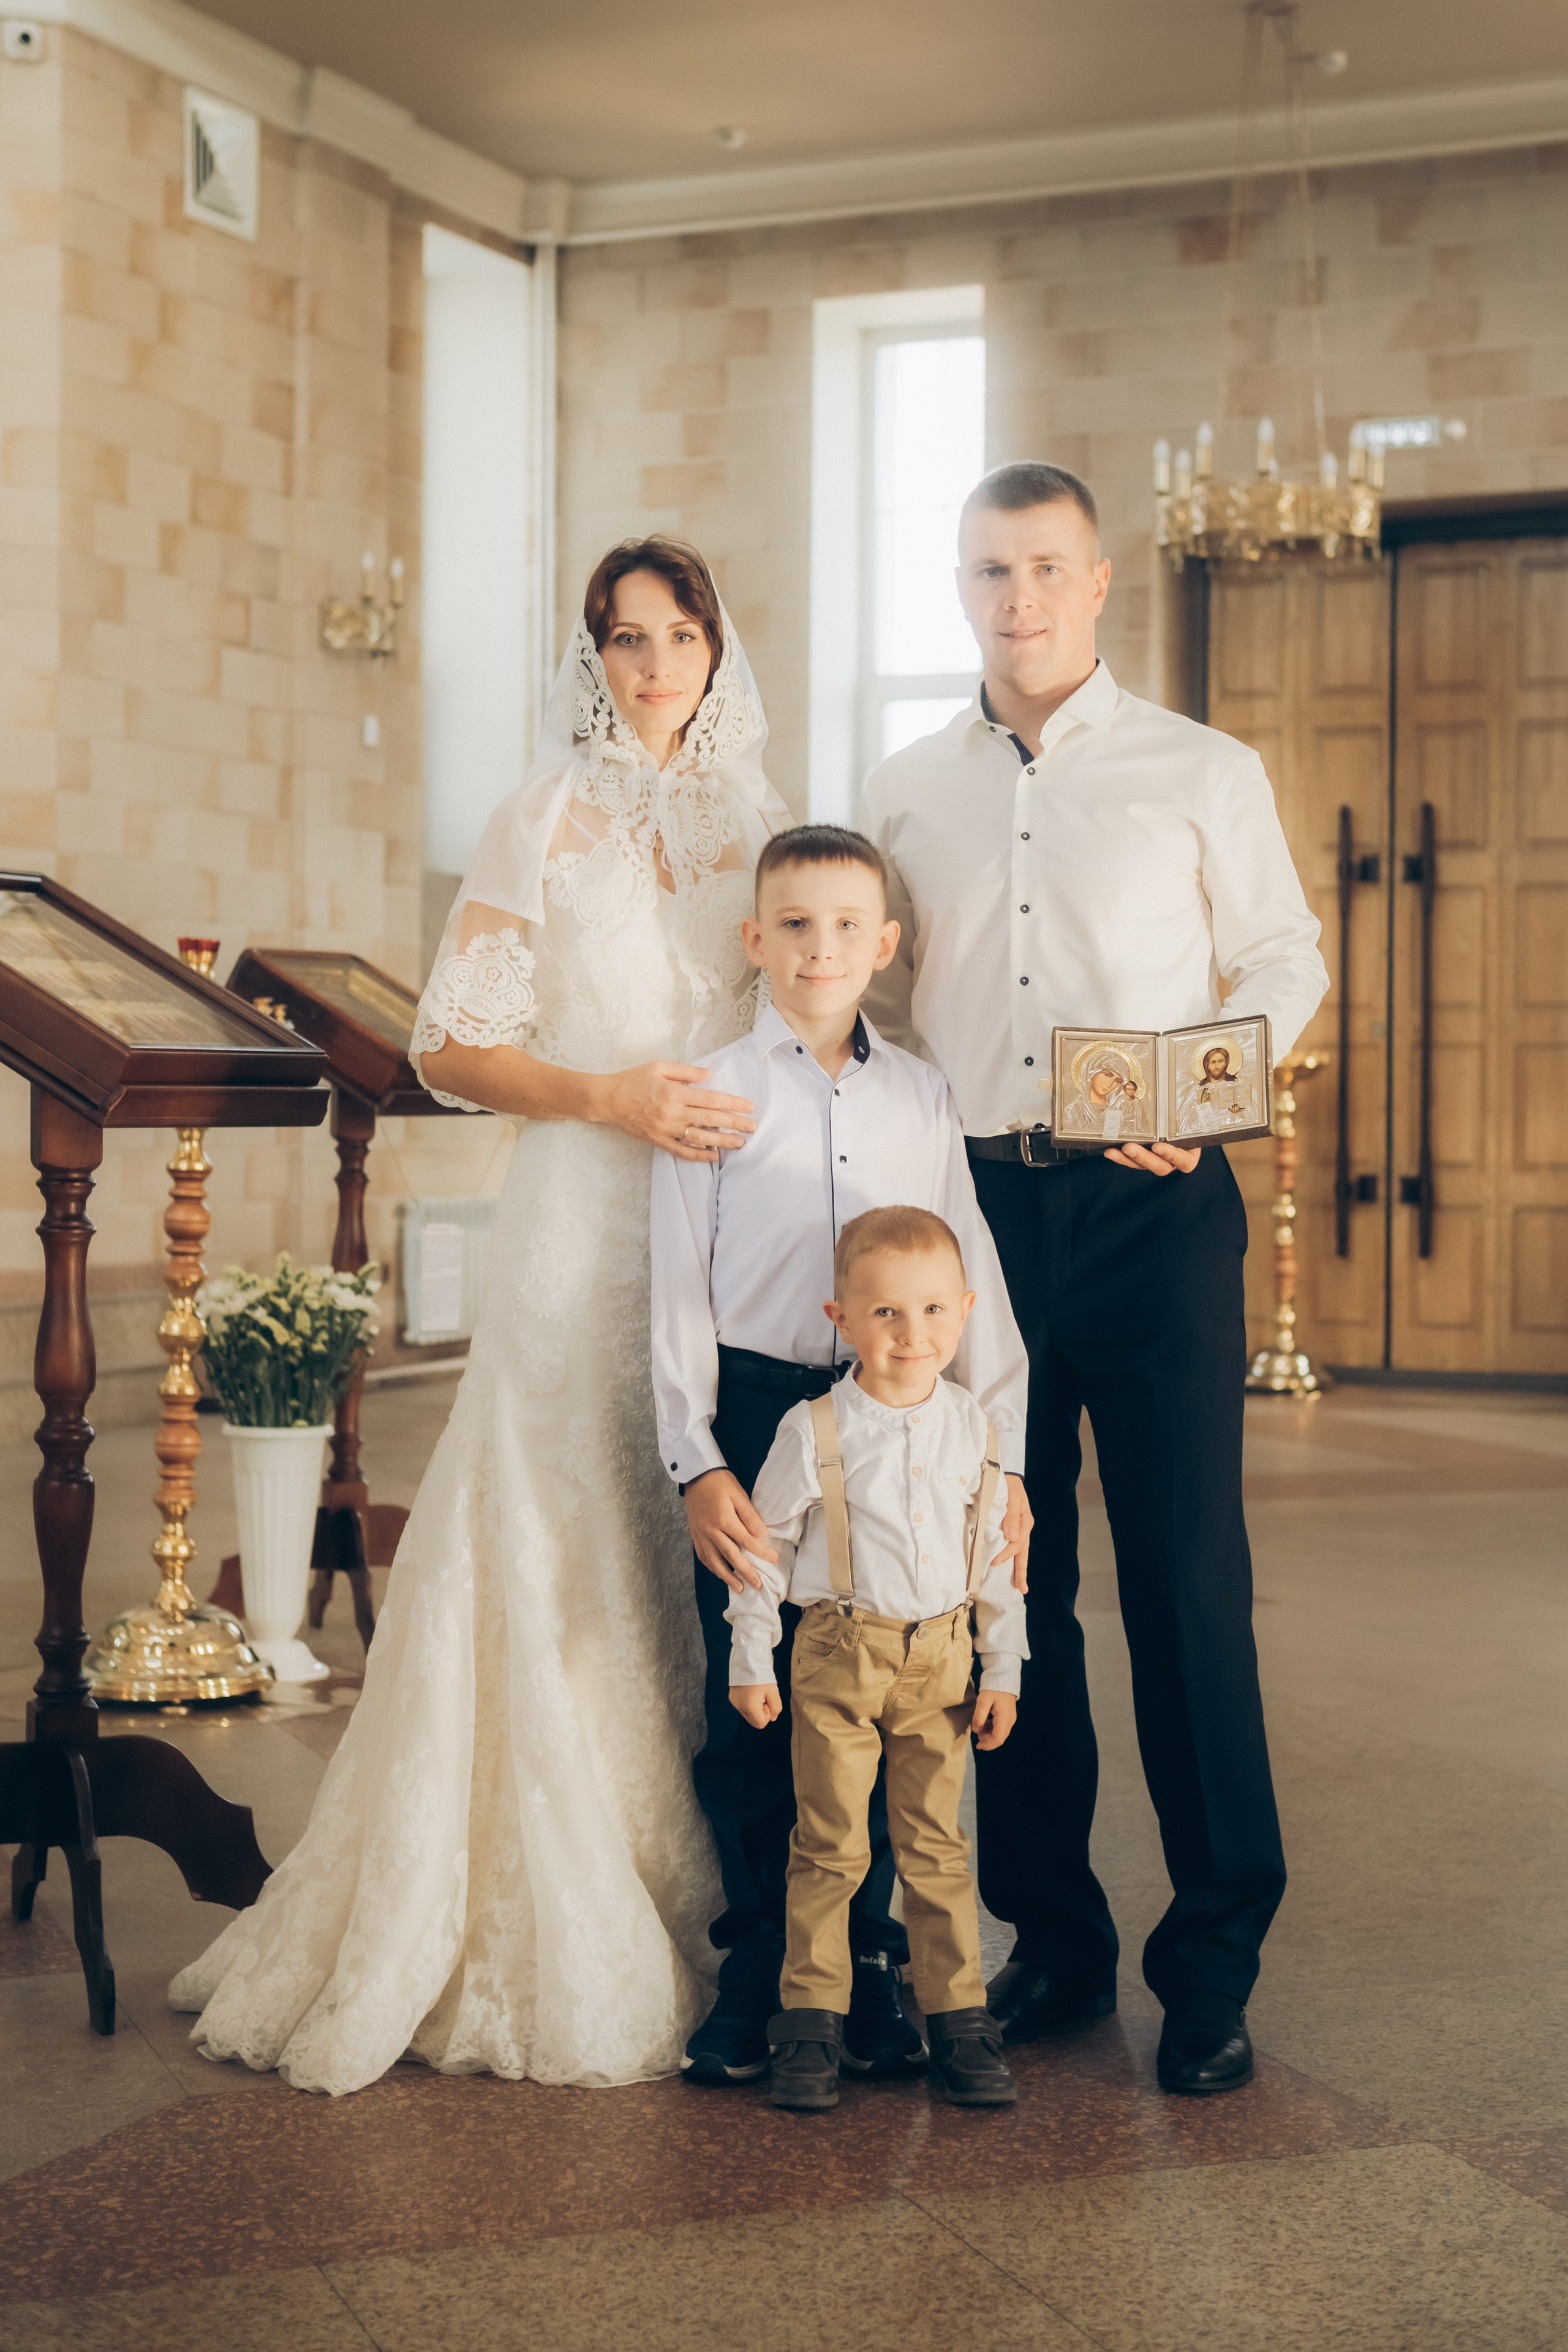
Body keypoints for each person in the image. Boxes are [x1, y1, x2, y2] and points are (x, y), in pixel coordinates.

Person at [169, 538, 790, 2094]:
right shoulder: (548, 814)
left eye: (677, 633)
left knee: (687, 1537)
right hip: (580, 1224)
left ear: (718, 646)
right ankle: (546, 1895)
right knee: (557, 1526)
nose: (653, 665)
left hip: (719, 1230)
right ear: (590, 662)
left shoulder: (760, 826)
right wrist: (607, 1096)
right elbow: (451, 1046)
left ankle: (741, 1888)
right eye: (622, 640)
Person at [862, 460, 1329, 2096]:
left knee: (1191, 1582)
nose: (1020, 600)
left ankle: (1211, 1962)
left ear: (1102, 579)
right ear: (963, 584)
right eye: (991, 571)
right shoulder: (907, 783)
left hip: (1159, 1212)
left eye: (1048, 569)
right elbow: (888, 1004)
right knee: (1012, 1589)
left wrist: (1205, 1090)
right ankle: (1049, 1934)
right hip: (980, 1223)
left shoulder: (1204, 770)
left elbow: (1285, 959)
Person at [650, 824, 1030, 2086]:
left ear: (886, 945)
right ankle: (756, 1971)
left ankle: (867, 1971)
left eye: (845, 927)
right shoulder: (712, 1087)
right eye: (793, 926)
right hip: (763, 1411)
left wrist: (1005, 1463)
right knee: (759, 1708)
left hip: (905, 1409)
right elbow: (677, 1294)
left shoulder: (919, 1094)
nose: (820, 949)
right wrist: (696, 1460)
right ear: (754, 941)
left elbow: (967, 1273)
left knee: (889, 1698)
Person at [729, 1206, 1026, 2112]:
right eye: (887, 1314)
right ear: (841, 1319)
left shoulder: (975, 1428)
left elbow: (998, 1564)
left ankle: (959, 2022)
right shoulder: (814, 1430)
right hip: (837, 1654)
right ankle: (810, 2024)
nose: (913, 1334)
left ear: (966, 1310)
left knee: (937, 1849)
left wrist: (1002, 1669)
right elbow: (760, 1553)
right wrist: (752, 1658)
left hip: (941, 1660)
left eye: (934, 1311)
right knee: (828, 1846)